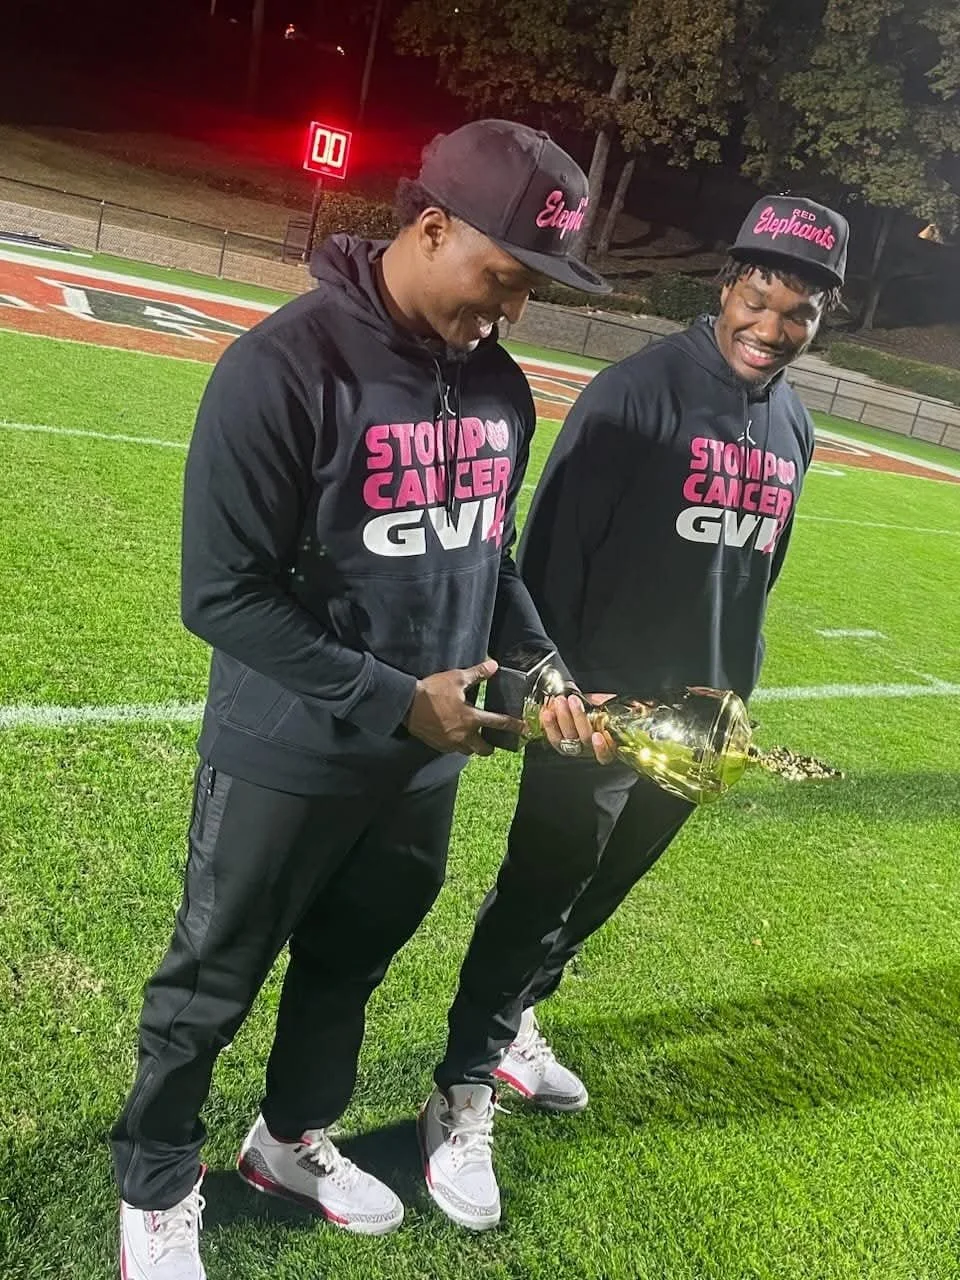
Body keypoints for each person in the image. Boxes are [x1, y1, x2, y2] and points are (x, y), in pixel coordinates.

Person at [112, 118, 612, 1279]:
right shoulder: (279, 366)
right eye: (507, 274)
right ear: (431, 227)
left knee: (349, 965)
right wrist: (393, 699)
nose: (516, 308)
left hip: (422, 765)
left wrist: (539, 666)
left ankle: (288, 1140)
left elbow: (489, 561)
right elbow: (220, 594)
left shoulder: (498, 386)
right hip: (289, 751)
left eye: (536, 286)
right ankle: (152, 1183)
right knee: (210, 980)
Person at [421, 194, 849, 1229]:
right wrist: (557, 691)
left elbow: (758, 575)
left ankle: (519, 1024)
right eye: (760, 298)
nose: (772, 327)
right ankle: (460, 1089)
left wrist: (730, 699)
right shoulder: (633, 395)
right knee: (538, 891)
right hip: (598, 711)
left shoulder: (792, 419)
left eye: (798, 312)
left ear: (822, 317)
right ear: (726, 286)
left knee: (597, 896)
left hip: (699, 727)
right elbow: (547, 557)